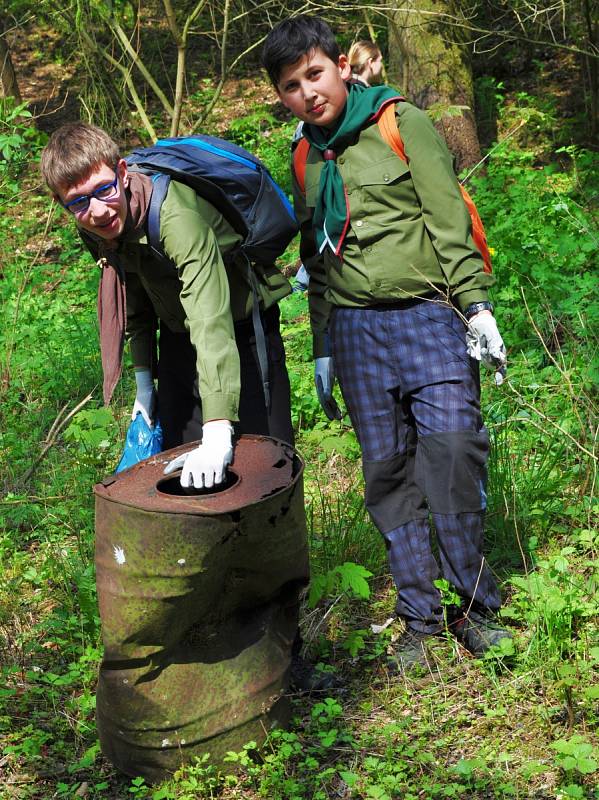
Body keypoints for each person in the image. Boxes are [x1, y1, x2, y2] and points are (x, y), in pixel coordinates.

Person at [262, 15, 512, 669]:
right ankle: (418, 621)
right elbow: (317, 256)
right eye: (291, 85)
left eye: (314, 74)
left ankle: (473, 607)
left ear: (340, 65)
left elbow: (447, 221)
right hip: (354, 332)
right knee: (388, 473)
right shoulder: (304, 157)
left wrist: (476, 306)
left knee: (453, 452)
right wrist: (321, 342)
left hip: (428, 315)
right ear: (282, 94)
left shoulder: (402, 125)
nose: (307, 92)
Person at [40, 122, 294, 490]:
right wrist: (145, 382)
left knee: (265, 464)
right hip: (177, 335)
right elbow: (134, 296)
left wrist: (218, 428)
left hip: (241, 330)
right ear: (64, 204)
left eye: (103, 190)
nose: (97, 211)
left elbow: (210, 317)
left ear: (123, 173)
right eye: (78, 202)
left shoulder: (177, 217)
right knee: (183, 470)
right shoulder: (95, 225)